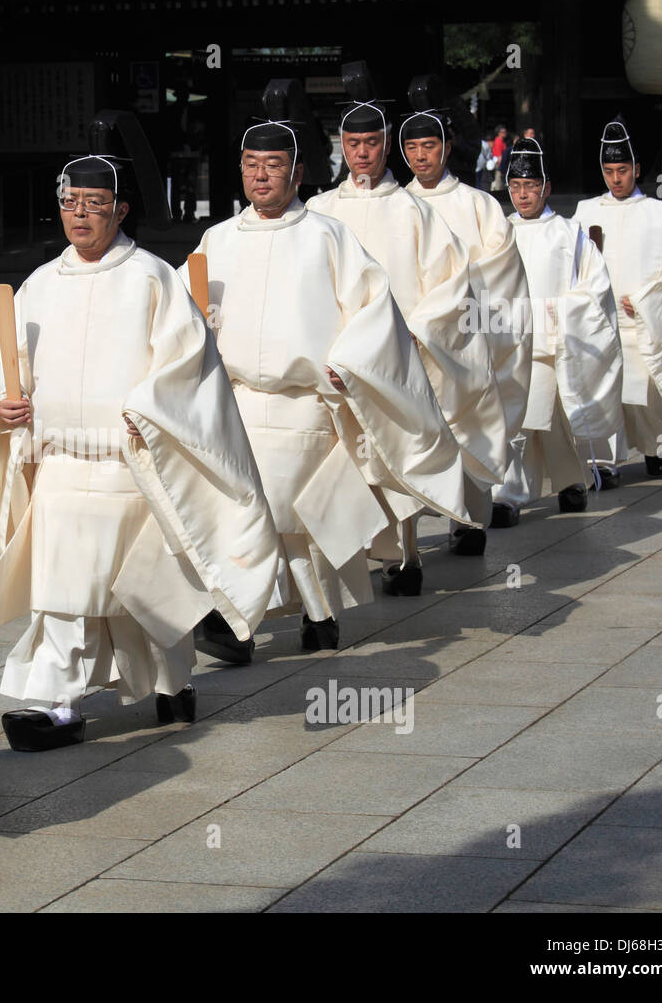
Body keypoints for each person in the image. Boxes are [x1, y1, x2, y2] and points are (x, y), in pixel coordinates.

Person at [0, 111, 277, 751]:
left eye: (93, 204)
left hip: (131, 463)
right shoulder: (41, 284)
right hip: (62, 468)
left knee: (141, 591)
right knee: (61, 593)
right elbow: (6, 360)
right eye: (69, 203)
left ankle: (170, 680)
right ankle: (53, 702)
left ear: (120, 209)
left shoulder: (152, 278)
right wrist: (6, 411)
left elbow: (189, 364)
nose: (79, 216)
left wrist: (150, 408)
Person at [182, 79, 469, 659]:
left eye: (274, 165)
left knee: (287, 513)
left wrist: (350, 366)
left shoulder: (327, 236)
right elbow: (187, 321)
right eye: (251, 165)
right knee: (253, 516)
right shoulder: (215, 240)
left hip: (304, 400)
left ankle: (244, 619)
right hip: (234, 401)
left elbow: (373, 309)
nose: (261, 176)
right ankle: (306, 616)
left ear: (297, 172)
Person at [307, 62, 505, 595]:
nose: (362, 153)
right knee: (343, 454)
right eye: (352, 143)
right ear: (340, 146)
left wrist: (417, 332)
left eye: (371, 142)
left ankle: (408, 556)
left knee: (396, 448)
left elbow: (450, 281)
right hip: (335, 359)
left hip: (399, 353)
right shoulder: (319, 211)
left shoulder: (413, 210)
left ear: (385, 143)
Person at [400, 74, 533, 532]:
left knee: (470, 424)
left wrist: (456, 312)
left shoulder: (479, 205)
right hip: (414, 340)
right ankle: (409, 537)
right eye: (412, 148)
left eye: (430, 146)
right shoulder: (396, 206)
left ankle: (470, 523)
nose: (421, 157)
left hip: (468, 338)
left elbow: (500, 272)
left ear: (448, 145)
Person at [492, 136, 624, 519]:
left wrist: (557, 312)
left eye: (530, 186)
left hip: (552, 340)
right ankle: (539, 489)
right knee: (521, 421)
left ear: (546, 188)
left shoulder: (569, 232)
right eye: (515, 186)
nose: (522, 195)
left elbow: (596, 286)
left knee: (540, 417)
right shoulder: (498, 233)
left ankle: (529, 491)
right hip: (508, 339)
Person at [573, 119, 662, 482]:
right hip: (599, 320)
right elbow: (572, 263)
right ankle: (604, 462)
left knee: (646, 397)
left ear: (636, 169)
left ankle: (656, 448)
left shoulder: (656, 212)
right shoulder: (586, 212)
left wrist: (649, 300)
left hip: (641, 320)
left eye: (622, 170)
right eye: (608, 170)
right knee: (604, 391)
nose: (615, 178)